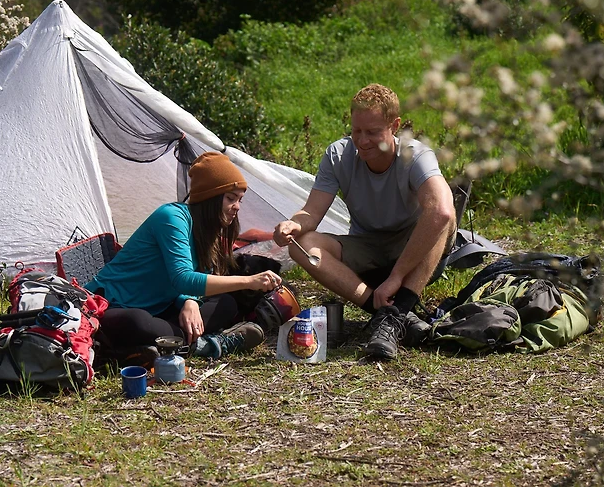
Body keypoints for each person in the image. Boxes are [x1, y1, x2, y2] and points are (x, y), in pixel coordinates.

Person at [273, 84, 456, 360]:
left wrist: (396, 277)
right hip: (367, 248)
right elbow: (311, 213)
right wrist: (294, 225)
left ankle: (396, 314)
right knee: (303, 245)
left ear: (394, 126)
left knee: (446, 216)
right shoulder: (338, 156)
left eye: (372, 132)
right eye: (356, 131)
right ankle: (384, 311)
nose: (363, 140)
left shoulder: (416, 155)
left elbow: (441, 211)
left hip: (414, 250)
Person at [86, 151, 283, 364]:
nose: (237, 207)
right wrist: (250, 281)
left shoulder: (210, 231)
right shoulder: (171, 217)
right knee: (138, 323)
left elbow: (196, 280)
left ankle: (156, 348)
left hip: (161, 306)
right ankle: (203, 346)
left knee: (226, 304)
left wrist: (189, 301)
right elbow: (182, 278)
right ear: (211, 197)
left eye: (240, 200)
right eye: (231, 198)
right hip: (113, 306)